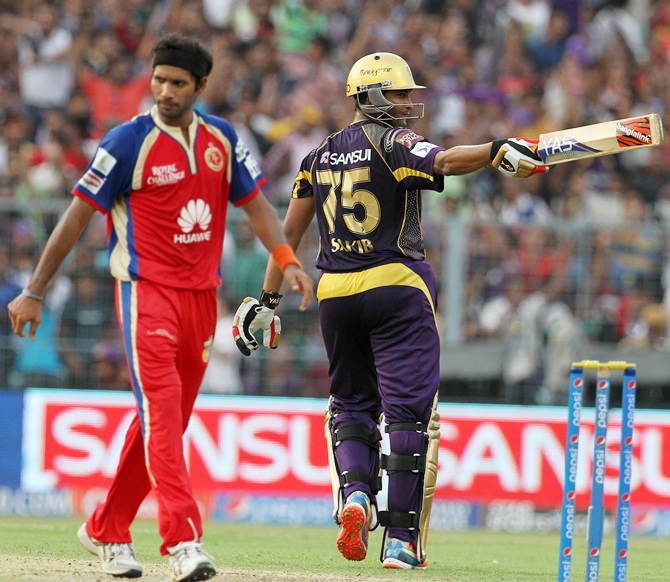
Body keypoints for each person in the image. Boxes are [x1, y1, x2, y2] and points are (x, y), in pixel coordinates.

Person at [8, 33, 312, 582]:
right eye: (158, 80)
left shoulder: (222, 138)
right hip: (145, 294)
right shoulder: (127, 141)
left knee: (162, 421)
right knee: (164, 415)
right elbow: (75, 217)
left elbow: (258, 207)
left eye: (177, 82)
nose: (165, 91)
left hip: (201, 299)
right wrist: (34, 289)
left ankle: (106, 528)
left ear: (199, 85)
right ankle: (182, 541)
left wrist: (287, 258)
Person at [232, 52, 548, 570]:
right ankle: (399, 538)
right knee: (408, 413)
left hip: (335, 292)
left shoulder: (316, 157)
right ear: (374, 96)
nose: (408, 103)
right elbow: (444, 161)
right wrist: (496, 152)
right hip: (396, 285)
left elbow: (286, 237)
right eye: (400, 94)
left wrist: (267, 302)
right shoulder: (394, 142)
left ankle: (356, 494)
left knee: (351, 404)